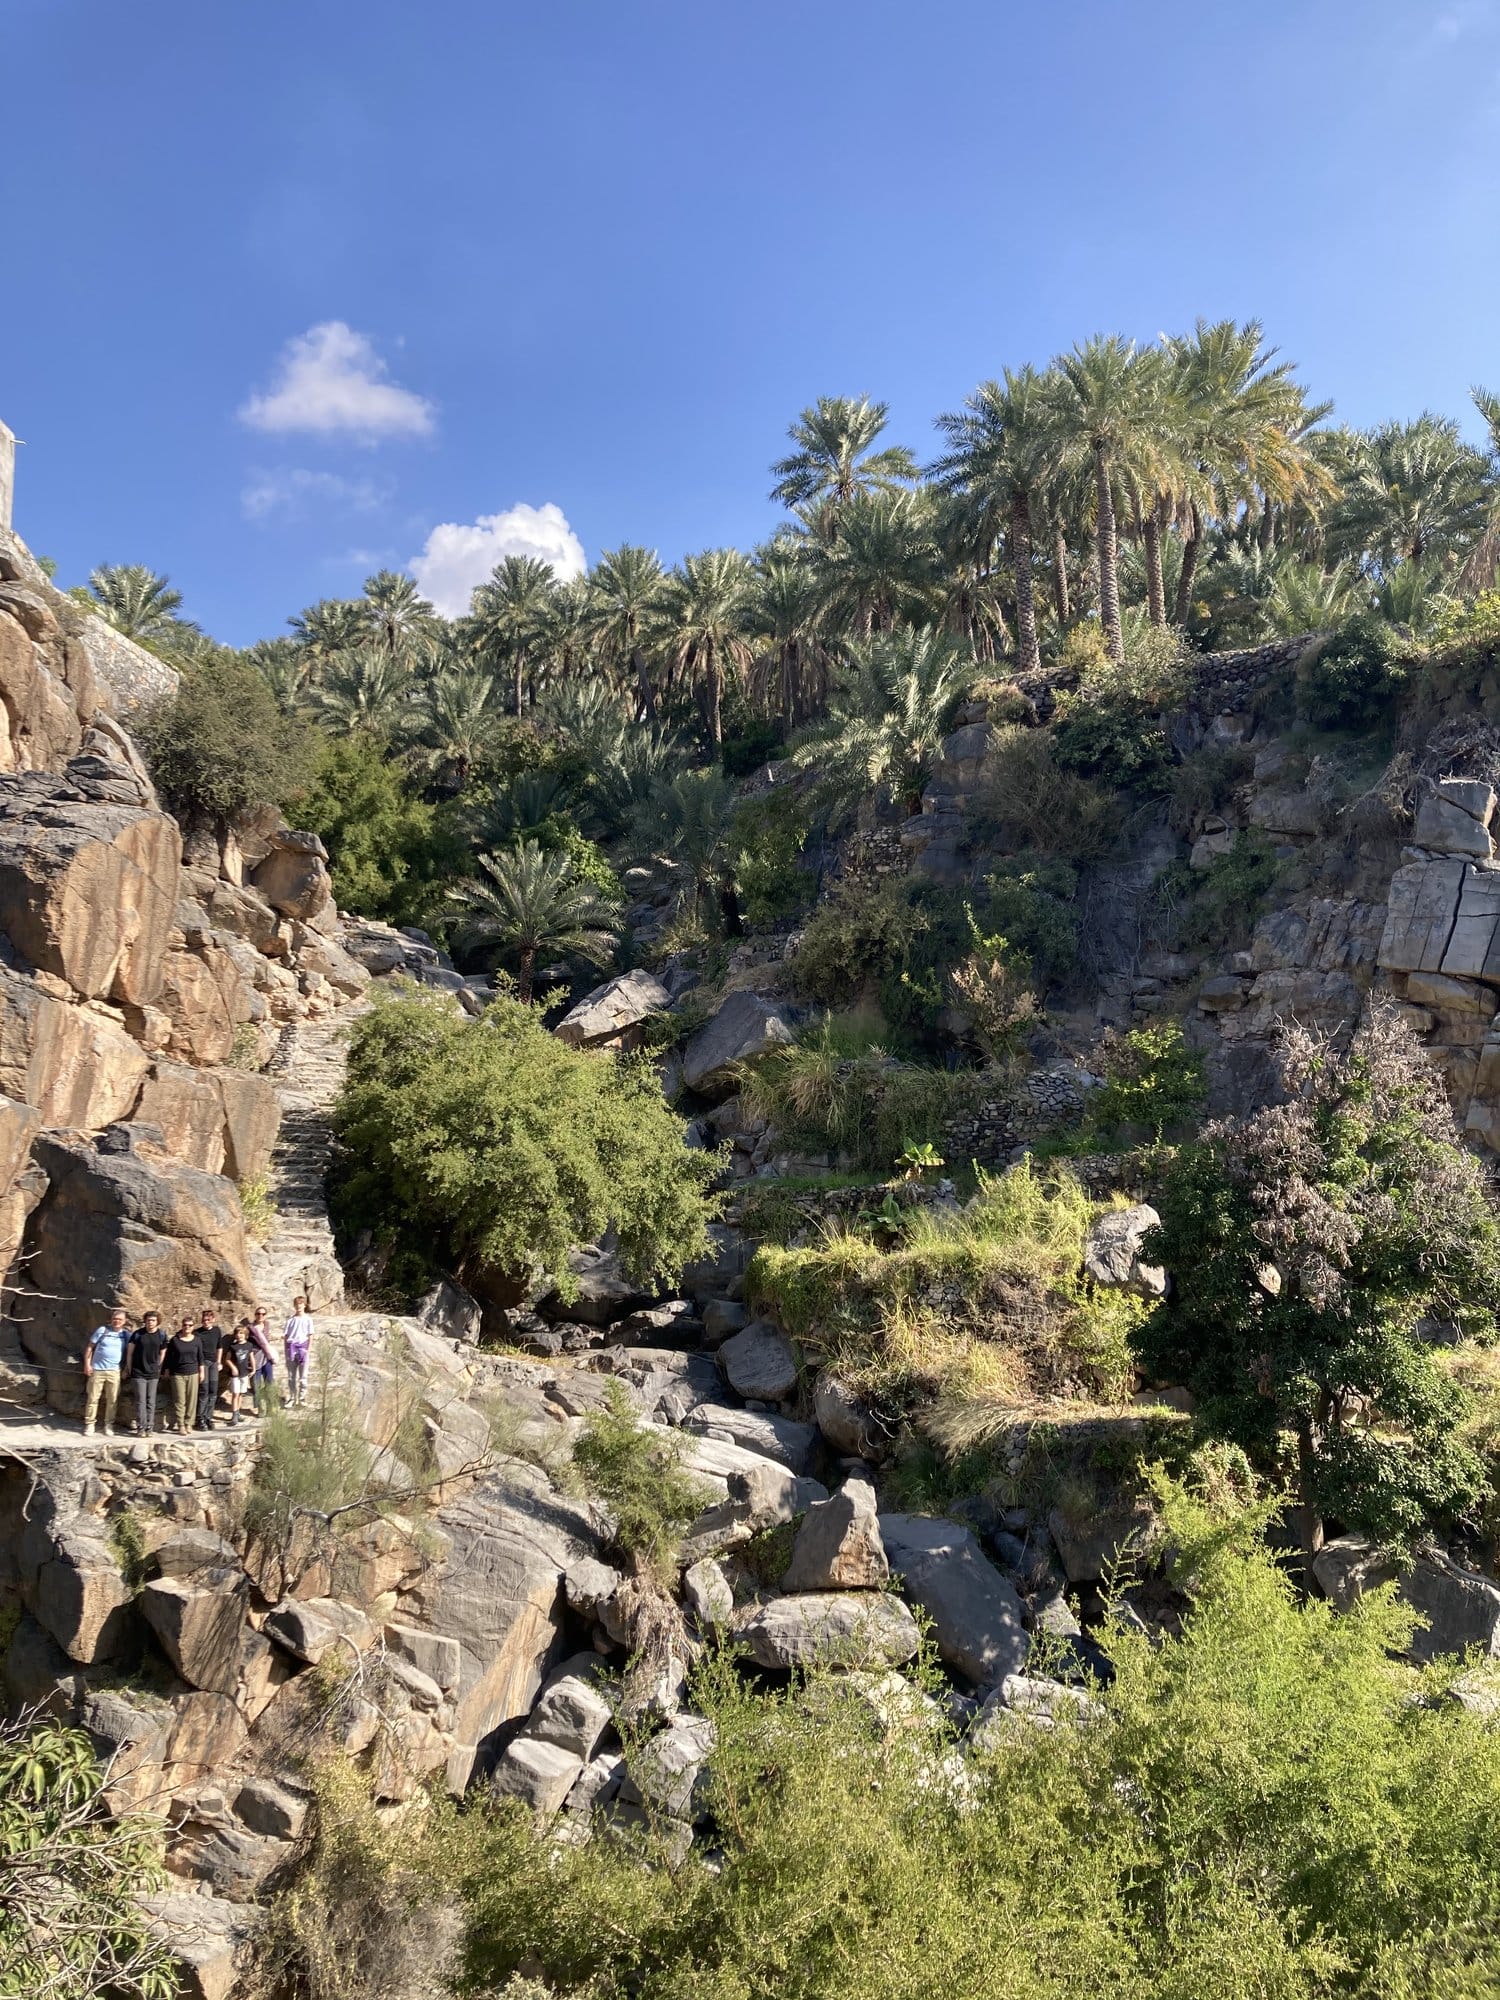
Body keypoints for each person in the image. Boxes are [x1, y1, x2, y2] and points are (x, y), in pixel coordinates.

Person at [82, 1307, 129, 1435]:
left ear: (125, 1321)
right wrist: (87, 1364)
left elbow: (130, 1353)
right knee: (92, 1398)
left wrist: (126, 1369)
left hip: (114, 1371)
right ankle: (90, 1424)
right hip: (97, 1370)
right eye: (115, 1319)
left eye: (120, 1319)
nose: (117, 1321)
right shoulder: (102, 1330)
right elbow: (90, 1347)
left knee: (112, 1399)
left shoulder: (125, 1335)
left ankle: (109, 1425)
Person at [123, 1311, 166, 1436]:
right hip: (138, 1371)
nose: (150, 1322)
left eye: (153, 1320)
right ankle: (141, 1427)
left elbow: (163, 1352)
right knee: (140, 1401)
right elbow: (130, 1353)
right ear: (145, 1321)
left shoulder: (161, 1335)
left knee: (151, 1401)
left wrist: (159, 1367)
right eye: (148, 1320)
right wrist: (129, 1369)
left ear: (157, 1321)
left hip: (153, 1373)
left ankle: (150, 1428)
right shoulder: (138, 1334)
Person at [163, 1316, 204, 1434]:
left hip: (193, 1373)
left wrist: (202, 1372)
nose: (187, 1327)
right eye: (185, 1325)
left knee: (192, 1400)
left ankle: (189, 1423)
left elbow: (200, 1357)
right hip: (177, 1373)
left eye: (190, 1325)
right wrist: (166, 1369)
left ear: (193, 1327)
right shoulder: (175, 1340)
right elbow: (168, 1357)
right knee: (179, 1400)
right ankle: (180, 1424)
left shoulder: (197, 1340)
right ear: (182, 1326)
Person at [224, 1321, 259, 1427]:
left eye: (241, 1333)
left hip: (244, 1373)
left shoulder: (249, 1345)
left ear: (245, 1335)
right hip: (235, 1374)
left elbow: (251, 1358)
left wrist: (253, 1369)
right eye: (237, 1333)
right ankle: (234, 1415)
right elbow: (227, 1359)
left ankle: (238, 1412)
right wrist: (233, 1367)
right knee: (235, 1393)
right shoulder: (233, 1346)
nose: (239, 1335)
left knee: (240, 1394)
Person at [195, 1306, 224, 1431]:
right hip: (203, 1362)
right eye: (204, 1320)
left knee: (213, 1391)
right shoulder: (198, 1333)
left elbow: (220, 1347)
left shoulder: (217, 1331)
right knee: (204, 1390)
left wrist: (219, 1361)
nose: (206, 1322)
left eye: (208, 1319)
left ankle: (208, 1416)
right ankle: (199, 1418)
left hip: (213, 1363)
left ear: (213, 1319)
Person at [283, 1294, 314, 1408]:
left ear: (304, 1305)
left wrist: (308, 1350)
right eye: (297, 1304)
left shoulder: (308, 1319)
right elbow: (286, 1336)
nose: (298, 1306)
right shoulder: (290, 1320)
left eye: (301, 1304)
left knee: (303, 1377)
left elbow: (311, 1335)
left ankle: (302, 1397)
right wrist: (286, 1351)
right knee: (291, 1376)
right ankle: (292, 1397)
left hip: (303, 1348)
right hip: (291, 1348)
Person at [247, 1306, 276, 1410]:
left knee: (269, 1382)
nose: (260, 1316)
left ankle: (270, 1406)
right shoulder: (250, 1328)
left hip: (267, 1357)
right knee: (256, 1384)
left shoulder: (267, 1325)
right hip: (255, 1358)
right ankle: (261, 1408)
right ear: (255, 1315)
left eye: (263, 1314)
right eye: (258, 1314)